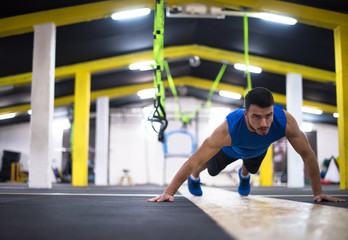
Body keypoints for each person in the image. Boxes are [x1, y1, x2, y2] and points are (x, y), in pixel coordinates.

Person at [147, 87, 345, 203]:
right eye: (256, 117)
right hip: (230, 149)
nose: (264, 124)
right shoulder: (228, 129)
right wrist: (168, 192)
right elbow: (194, 159)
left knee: (251, 168)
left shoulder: (285, 121)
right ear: (245, 114)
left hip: (257, 150)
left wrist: (318, 192)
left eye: (268, 116)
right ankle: (195, 178)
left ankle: (244, 175)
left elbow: (308, 155)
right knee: (209, 167)